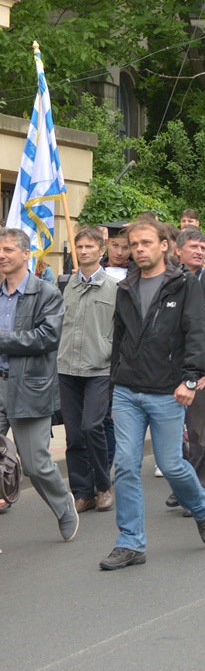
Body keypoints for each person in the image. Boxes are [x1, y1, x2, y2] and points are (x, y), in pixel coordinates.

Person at [101, 218, 205, 570]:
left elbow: (198, 333)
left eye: (146, 243)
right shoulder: (125, 286)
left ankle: (202, 507)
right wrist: (114, 383)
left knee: (171, 465)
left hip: (168, 391)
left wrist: (190, 380)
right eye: (134, 244)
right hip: (127, 391)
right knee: (126, 465)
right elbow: (119, 339)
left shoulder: (184, 284)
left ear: (164, 245)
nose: (138, 249)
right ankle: (130, 543)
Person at [0, 229, 77, 544]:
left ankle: (64, 506)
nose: (2, 255)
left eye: (8, 249)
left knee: (35, 465)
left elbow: (47, 337)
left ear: (25, 254)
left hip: (29, 387)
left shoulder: (47, 293)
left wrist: (2, 340)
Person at [58, 227, 117, 515]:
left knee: (92, 426)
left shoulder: (114, 287)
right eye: (79, 246)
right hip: (67, 368)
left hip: (99, 369)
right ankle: (82, 492)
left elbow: (121, 330)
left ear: (101, 251)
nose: (83, 251)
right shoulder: (66, 284)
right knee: (73, 434)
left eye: (89, 246)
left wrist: (109, 352)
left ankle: (103, 486)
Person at [171, 228, 205, 502]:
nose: (199, 252)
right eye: (193, 246)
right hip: (172, 367)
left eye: (203, 248)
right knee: (172, 434)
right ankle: (185, 483)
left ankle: (195, 493)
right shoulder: (168, 280)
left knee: (201, 435)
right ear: (177, 251)